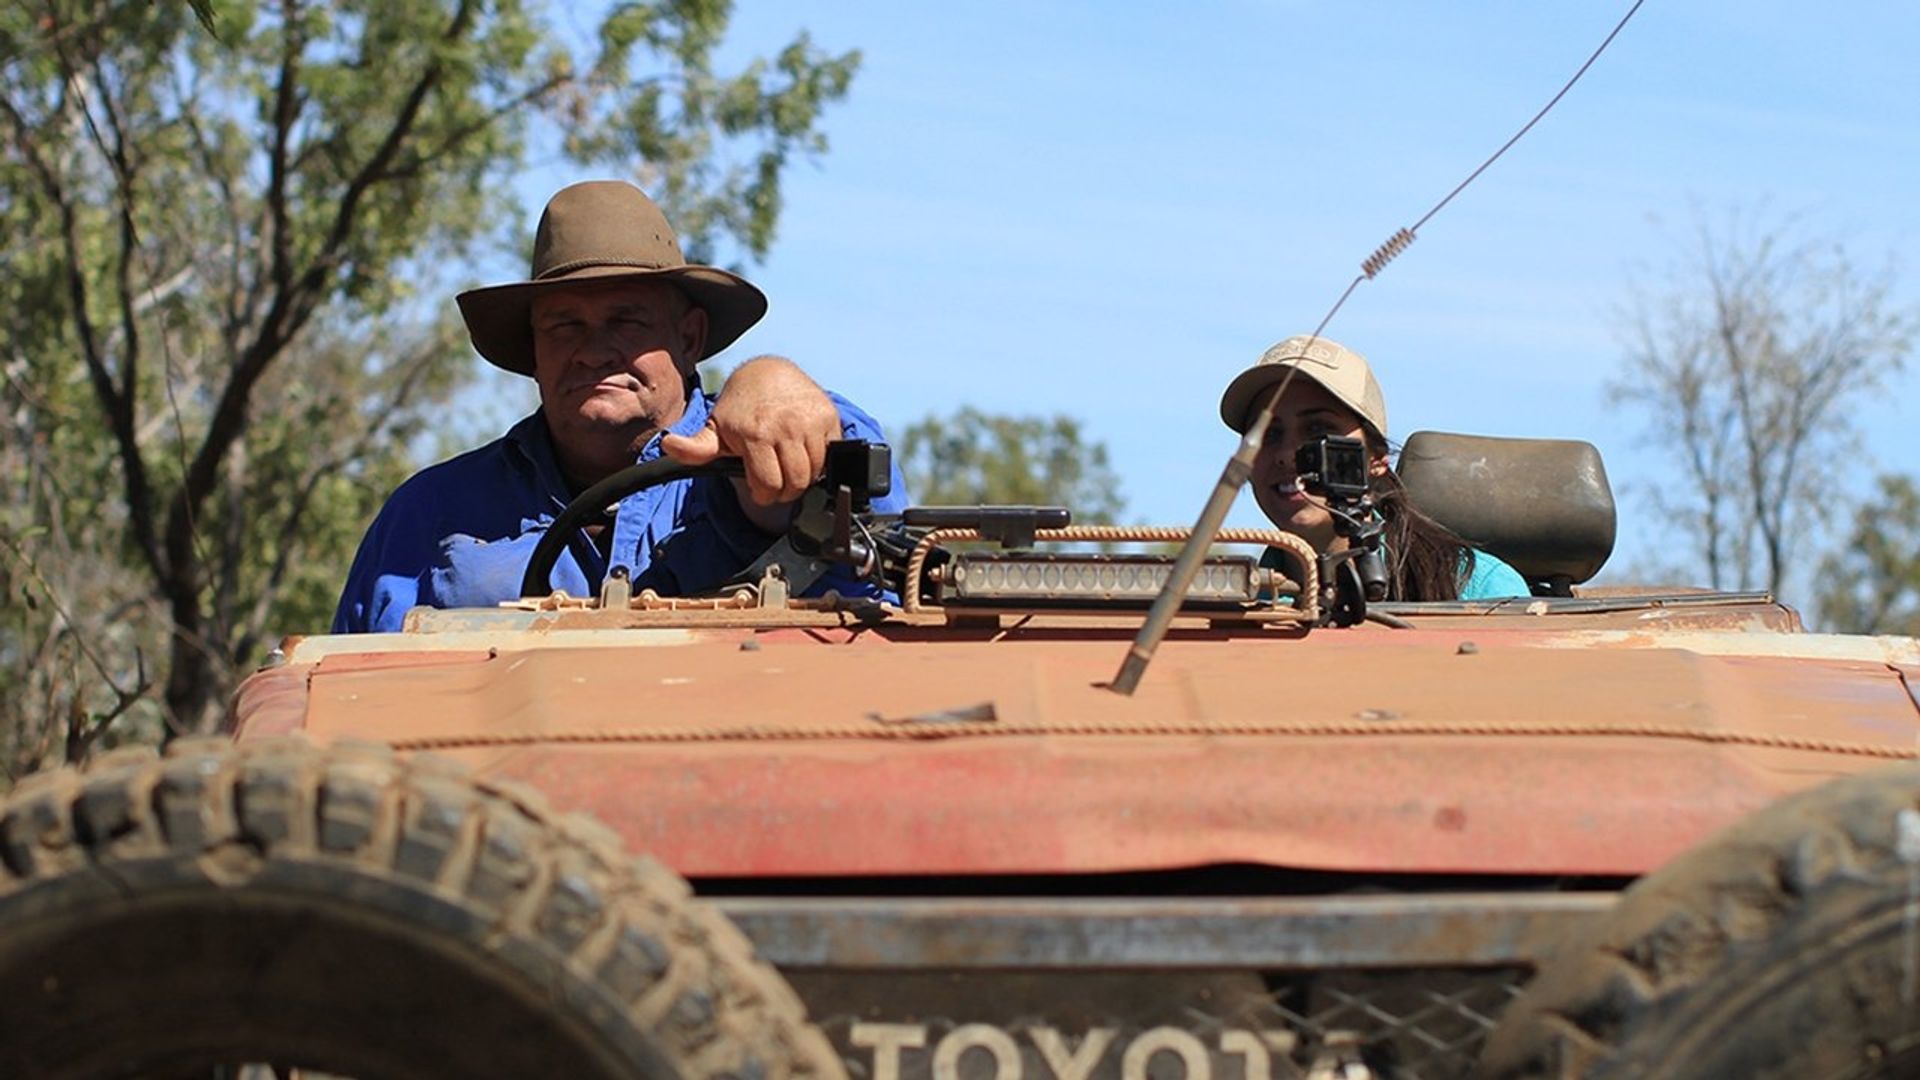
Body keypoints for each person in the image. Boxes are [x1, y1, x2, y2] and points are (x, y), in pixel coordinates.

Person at [333, 180, 908, 633]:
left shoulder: (746, 463)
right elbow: (347, 692)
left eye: (627, 321)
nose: (593, 350)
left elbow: (857, 487)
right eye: (564, 326)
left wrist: (772, 382)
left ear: (689, 337)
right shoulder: (430, 512)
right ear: (534, 351)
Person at [1218, 335, 1529, 602]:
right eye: (1268, 434)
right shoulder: (1230, 604)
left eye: (1317, 430)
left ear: (1377, 459)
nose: (1287, 455)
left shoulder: (1477, 588)